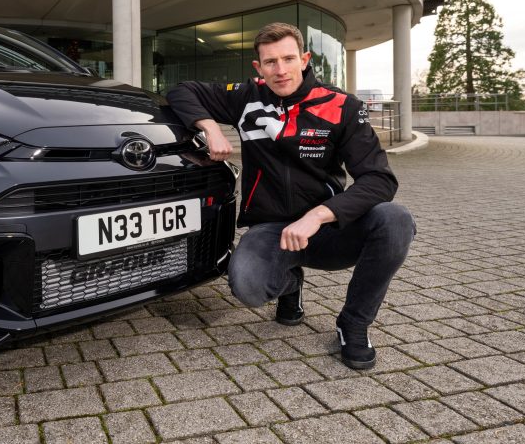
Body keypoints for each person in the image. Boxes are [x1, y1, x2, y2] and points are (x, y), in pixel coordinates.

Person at [166, 22, 414, 370]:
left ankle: (354, 324)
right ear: (259, 67)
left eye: (288, 59)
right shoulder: (245, 98)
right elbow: (181, 91)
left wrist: (318, 216)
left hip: (327, 228)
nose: (280, 70)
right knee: (248, 287)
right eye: (270, 62)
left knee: (395, 219)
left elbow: (379, 180)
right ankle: (289, 283)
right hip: (274, 230)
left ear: (305, 59)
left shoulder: (341, 105)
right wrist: (209, 128)